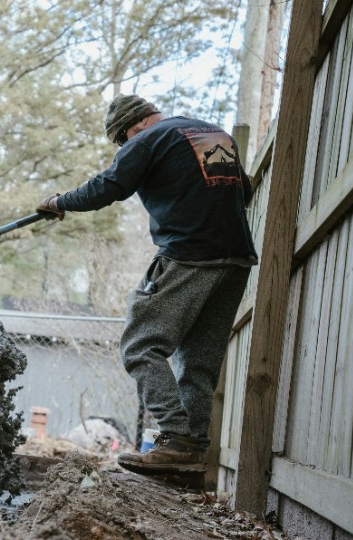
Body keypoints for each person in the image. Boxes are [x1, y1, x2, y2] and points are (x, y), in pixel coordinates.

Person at [36, 94, 257, 475]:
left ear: (131, 128)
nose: (125, 148)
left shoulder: (147, 139)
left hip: (189, 255)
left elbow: (107, 187)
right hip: (236, 259)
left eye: (122, 142)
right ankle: (189, 454)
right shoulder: (212, 134)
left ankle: (175, 435)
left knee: (141, 346)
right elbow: (245, 191)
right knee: (198, 362)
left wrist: (60, 202)